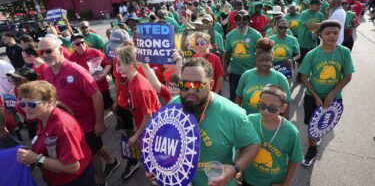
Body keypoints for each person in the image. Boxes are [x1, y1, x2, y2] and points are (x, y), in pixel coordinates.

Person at [146, 57, 260, 186]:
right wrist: (156, 165)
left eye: (197, 85)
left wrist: (234, 169)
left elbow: (253, 144)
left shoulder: (233, 114)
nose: (190, 90)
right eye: (185, 84)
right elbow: (163, 140)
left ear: (211, 85)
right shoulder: (174, 104)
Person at [38, 38, 119, 186]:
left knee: (90, 155)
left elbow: (96, 95)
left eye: (48, 50)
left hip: (85, 124)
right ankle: (112, 161)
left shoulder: (76, 71)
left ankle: (100, 181)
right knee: (94, 147)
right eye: (41, 52)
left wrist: (100, 122)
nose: (44, 55)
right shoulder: (47, 72)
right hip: (66, 126)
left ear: (61, 49)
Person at [15, 81, 96, 186]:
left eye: (32, 104)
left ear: (50, 102)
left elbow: (73, 167)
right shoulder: (42, 117)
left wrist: (36, 158)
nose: (25, 108)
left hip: (74, 181)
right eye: (22, 103)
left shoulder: (63, 127)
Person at [299, 20, 355, 167]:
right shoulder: (313, 54)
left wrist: (332, 94)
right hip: (313, 97)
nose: (332, 36)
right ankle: (312, 150)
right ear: (320, 35)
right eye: (327, 33)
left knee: (323, 123)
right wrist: (316, 96)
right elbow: (304, 77)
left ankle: (316, 139)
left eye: (335, 33)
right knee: (312, 125)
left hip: (334, 98)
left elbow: (347, 76)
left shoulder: (344, 52)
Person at [242, 85, 304, 186]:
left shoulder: (291, 132)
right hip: (248, 178)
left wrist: (286, 183)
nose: (265, 111)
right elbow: (242, 147)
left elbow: (294, 160)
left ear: (283, 108)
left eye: (272, 108)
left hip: (273, 182)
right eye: (262, 105)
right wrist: (239, 170)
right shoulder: (250, 120)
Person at [115, 45, 161, 179]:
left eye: (119, 63)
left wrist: (136, 136)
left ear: (130, 64)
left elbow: (148, 116)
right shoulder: (130, 79)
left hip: (153, 129)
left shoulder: (140, 87)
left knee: (155, 163)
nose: (116, 66)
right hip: (143, 125)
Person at [235, 38, 291, 118]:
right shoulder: (246, 75)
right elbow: (238, 98)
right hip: (247, 122)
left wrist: (284, 124)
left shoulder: (280, 78)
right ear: (256, 60)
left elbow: (287, 102)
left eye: (268, 60)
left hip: (271, 123)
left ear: (272, 61)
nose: (264, 63)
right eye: (261, 60)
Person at [224, 10, 262, 101]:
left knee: (249, 97)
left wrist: (260, 70)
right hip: (234, 72)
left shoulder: (256, 35)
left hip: (251, 72)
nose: (241, 22)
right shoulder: (230, 35)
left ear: (249, 21)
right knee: (233, 97)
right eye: (238, 19)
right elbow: (227, 53)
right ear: (235, 22)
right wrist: (224, 69)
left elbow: (261, 54)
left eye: (244, 19)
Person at [69, 35, 114, 111]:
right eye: (77, 44)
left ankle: (119, 119)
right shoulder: (71, 58)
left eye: (82, 42)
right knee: (95, 110)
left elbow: (107, 64)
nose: (81, 45)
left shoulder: (95, 52)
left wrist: (104, 74)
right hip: (86, 91)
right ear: (73, 46)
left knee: (110, 105)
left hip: (101, 86)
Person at [297, 0, 324, 80]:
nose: (319, 6)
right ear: (311, 5)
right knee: (303, 59)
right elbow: (309, 25)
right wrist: (323, 24)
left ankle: (309, 75)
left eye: (320, 5)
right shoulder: (304, 14)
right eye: (317, 5)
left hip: (313, 40)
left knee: (312, 59)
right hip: (303, 41)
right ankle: (300, 76)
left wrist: (318, 32)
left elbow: (320, 28)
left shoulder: (320, 14)